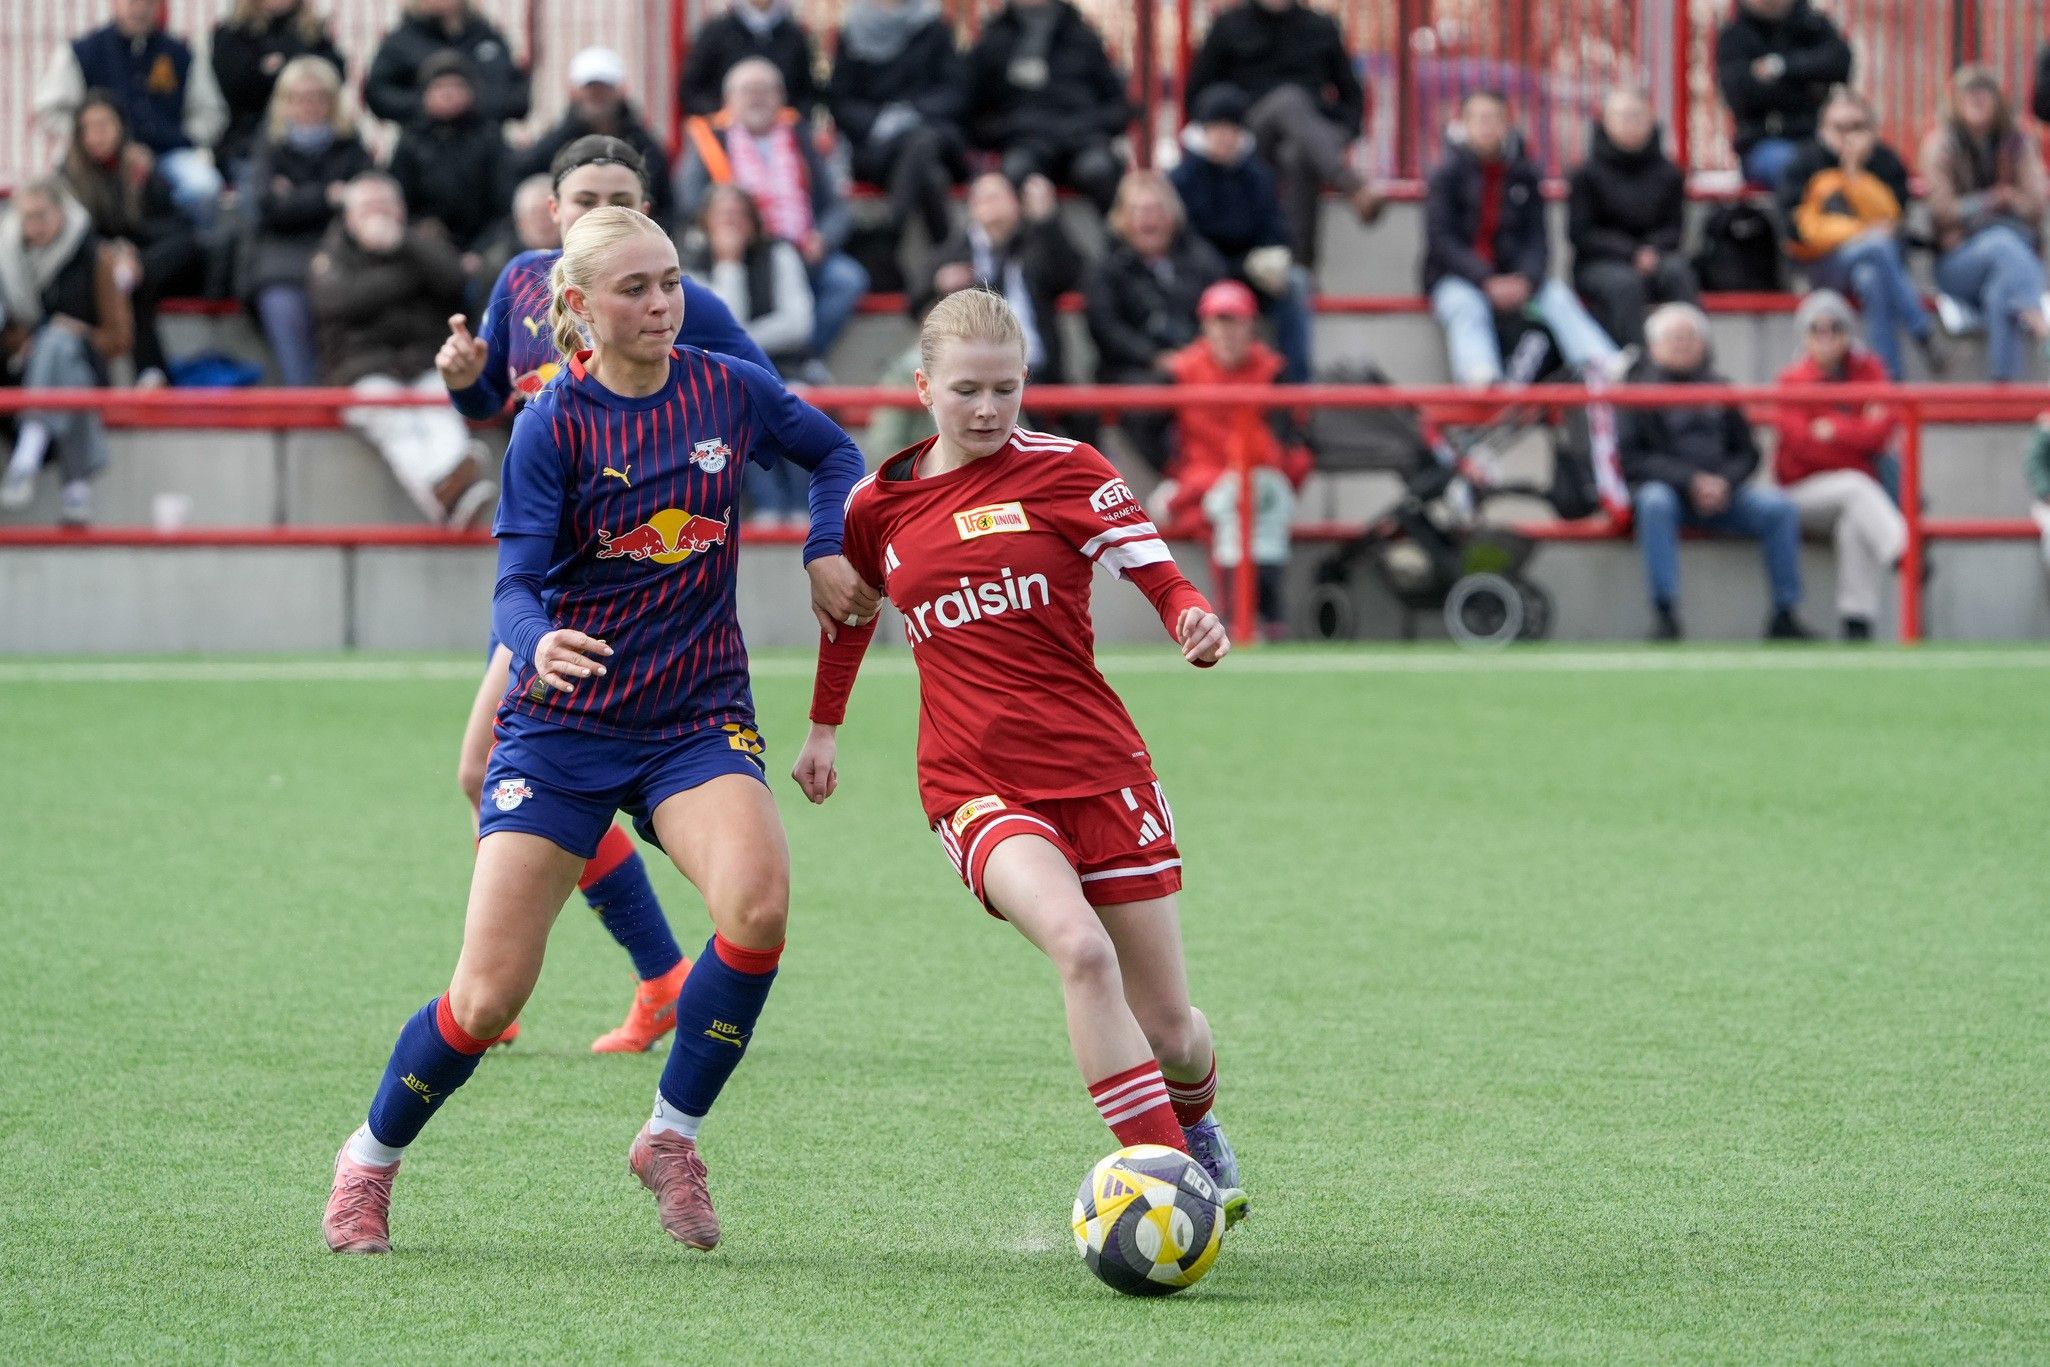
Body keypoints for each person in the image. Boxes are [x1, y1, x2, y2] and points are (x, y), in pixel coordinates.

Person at [322, 205, 874, 1256]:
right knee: (488, 997)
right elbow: (513, 587)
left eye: (670, 282)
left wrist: (822, 542)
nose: (663, 303)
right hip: (563, 726)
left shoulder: (727, 388)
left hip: (694, 715)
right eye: (637, 288)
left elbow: (835, 452)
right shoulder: (553, 423)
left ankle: (671, 1136)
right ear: (578, 305)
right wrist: (535, 644)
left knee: (757, 907)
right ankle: (369, 1160)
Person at [792, 288, 1249, 1222]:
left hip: (1101, 770)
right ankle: (1172, 1185)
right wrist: (824, 725)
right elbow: (853, 612)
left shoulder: (1068, 470)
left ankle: (1196, 1124)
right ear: (923, 387)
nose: (988, 409)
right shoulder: (877, 504)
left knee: (1172, 1030)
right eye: (966, 390)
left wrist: (1190, 616)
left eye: (1005, 389)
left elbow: (1155, 569)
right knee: (1080, 949)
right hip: (973, 781)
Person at [436, 136, 781, 1055]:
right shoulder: (522, 284)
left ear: (648, 210)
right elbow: (495, 404)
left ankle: (652, 973)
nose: (599, 211)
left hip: (627, 588)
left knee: (495, 766)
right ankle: (651, 974)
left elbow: (769, 404)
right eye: (583, 198)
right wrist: (466, 385)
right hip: (549, 578)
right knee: (483, 769)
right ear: (553, 211)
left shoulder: (675, 303)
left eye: (618, 197)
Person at [308, 173, 494, 527]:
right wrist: (408, 276)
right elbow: (340, 302)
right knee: (391, 416)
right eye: (368, 207)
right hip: (360, 371)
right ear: (349, 216)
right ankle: (448, 485)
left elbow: (455, 280)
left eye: (386, 206)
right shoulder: (331, 252)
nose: (378, 215)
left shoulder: (421, 242)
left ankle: (448, 492)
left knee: (442, 403)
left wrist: (404, 244)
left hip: (424, 362)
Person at [1619, 303, 1810, 642]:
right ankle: (1665, 614)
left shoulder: (1721, 388)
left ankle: (1785, 613)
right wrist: (1690, 481)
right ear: (1654, 346)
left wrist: (1723, 482)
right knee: (1654, 503)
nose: (1683, 344)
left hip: (1725, 495)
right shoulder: (1638, 392)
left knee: (1778, 509)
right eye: (1674, 337)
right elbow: (1633, 459)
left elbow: (1748, 453)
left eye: (1689, 337)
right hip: (1670, 494)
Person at [1423, 90, 1623, 390]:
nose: (1486, 126)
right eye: (1478, 119)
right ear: (1463, 124)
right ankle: (1481, 377)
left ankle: (1601, 362)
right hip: (1459, 278)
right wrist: (1485, 279)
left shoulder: (1525, 174)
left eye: (1493, 118)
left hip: (1518, 280)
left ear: (1507, 123)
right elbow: (1442, 241)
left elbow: (1537, 239)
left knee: (1557, 297)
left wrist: (1526, 279)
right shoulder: (1445, 176)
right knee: (1466, 307)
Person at [677, 59, 870, 360]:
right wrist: (729, 238)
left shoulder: (805, 136)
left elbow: (837, 205)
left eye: (765, 90)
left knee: (847, 279)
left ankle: (801, 358)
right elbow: (690, 203)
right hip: (737, 253)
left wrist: (823, 238)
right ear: (729, 99)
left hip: (803, 251)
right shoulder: (708, 138)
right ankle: (743, 356)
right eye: (747, 91)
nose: (757, 98)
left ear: (781, 97)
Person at [1183, 0, 1381, 271]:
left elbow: (1351, 95)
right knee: (1289, 100)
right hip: (1250, 133)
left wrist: (1341, 132)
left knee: (1296, 155)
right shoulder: (1229, 26)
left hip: (1309, 138)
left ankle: (1298, 267)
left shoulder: (1320, 27)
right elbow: (1199, 92)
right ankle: (1351, 184)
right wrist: (1223, 126)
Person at [1162, 280, 1305, 639]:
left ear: (1251, 325)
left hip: (1257, 480)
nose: (1227, 332)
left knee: (1262, 507)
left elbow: (1290, 445)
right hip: (1201, 481)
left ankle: (1257, 617)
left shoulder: (1273, 369)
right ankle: (1238, 618)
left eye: (1235, 322)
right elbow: (1153, 432)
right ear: (1205, 326)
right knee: (1218, 512)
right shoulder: (1181, 369)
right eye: (1218, 322)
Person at [1769, 290, 1905, 641]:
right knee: (1855, 485)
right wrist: (1857, 433)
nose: (1826, 336)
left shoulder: (1869, 370)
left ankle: (1856, 623)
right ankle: (1904, 551)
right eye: (1817, 329)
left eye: (1836, 327)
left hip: (1853, 492)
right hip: (1801, 491)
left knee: (1854, 522)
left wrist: (1834, 431)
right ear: (1804, 336)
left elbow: (1882, 432)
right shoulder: (1791, 380)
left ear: (1848, 332)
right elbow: (1802, 447)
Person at [1779, 89, 1940, 382]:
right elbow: (1799, 230)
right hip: (1822, 264)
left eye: (1857, 127)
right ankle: (1921, 330)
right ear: (1822, 129)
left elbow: (1894, 219)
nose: (1848, 136)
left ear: (1872, 129)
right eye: (1839, 127)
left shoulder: (1886, 163)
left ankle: (1887, 381)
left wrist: (1854, 173)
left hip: (1877, 265)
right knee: (1877, 246)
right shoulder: (1803, 162)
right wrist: (1860, 233)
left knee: (1872, 279)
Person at [0, 179, 133, 524]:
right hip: (21, 370)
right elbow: (7, 331)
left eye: (41, 216)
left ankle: (26, 459)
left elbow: (119, 338)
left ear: (61, 212)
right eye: (26, 217)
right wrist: (26, 340)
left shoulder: (95, 256)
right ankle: (75, 487)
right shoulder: (7, 256)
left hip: (86, 364)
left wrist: (80, 333)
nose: (34, 226)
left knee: (59, 345)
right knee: (53, 347)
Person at [684, 185, 818, 526]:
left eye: (738, 215)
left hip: (788, 365)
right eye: (721, 217)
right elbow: (728, 317)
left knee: (799, 400)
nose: (731, 224)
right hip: (724, 376)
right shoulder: (690, 267)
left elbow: (798, 324)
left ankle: (804, 506)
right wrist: (729, 263)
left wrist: (738, 339)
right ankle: (768, 505)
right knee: (737, 408)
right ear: (705, 224)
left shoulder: (779, 253)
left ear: (754, 221)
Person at [34, 0, 229, 230]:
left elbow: (211, 112)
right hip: (98, 160)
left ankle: (195, 247)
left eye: (147, 3)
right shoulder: (84, 51)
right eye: (132, 2)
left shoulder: (180, 52)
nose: (139, 9)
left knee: (203, 187)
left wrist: (182, 138)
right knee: (63, 200)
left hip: (167, 154)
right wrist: (91, 138)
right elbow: (49, 108)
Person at [237, 54, 370, 387]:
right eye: (299, 98)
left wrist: (295, 197)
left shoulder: (351, 145)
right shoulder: (268, 144)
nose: (309, 105)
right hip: (279, 263)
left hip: (341, 257)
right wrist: (328, 196)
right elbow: (267, 206)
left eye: (318, 97)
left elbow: (364, 204)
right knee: (283, 307)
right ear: (284, 102)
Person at [1169, 84, 1313, 382]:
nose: (1224, 136)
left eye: (1231, 128)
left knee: (1296, 283)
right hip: (1202, 275)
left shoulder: (1259, 177)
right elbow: (1183, 239)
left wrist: (1272, 262)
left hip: (1251, 273)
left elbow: (1276, 229)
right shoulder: (1182, 179)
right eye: (1216, 128)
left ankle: (1295, 389)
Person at [1085, 171, 1228, 470]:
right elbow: (1105, 329)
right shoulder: (1106, 268)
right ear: (1123, 218)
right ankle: (1179, 476)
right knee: (1149, 402)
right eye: (1139, 211)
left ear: (1173, 216)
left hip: (1201, 361)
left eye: (1157, 210)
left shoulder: (1202, 259)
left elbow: (1222, 310)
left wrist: (1195, 355)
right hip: (1132, 369)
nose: (1149, 220)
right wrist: (1155, 358)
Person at [59, 91, 203, 385]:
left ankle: (152, 375)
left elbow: (174, 226)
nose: (95, 136)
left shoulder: (140, 165)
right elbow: (76, 238)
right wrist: (117, 252)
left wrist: (134, 250)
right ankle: (152, 375)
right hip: (100, 268)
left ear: (120, 127)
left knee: (173, 254)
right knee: (127, 280)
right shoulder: (69, 176)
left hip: (145, 260)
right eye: (87, 128)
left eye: (103, 126)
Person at [1920, 66, 2050, 383]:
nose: (1977, 99)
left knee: (2001, 292)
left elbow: (2036, 203)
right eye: (1970, 93)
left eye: (1985, 92)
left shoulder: (2017, 144)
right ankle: (2039, 320)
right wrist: (1990, 201)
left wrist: (2010, 201)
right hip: (1958, 262)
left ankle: (2004, 391)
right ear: (1955, 101)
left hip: (2012, 257)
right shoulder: (1941, 145)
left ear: (1998, 101)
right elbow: (1941, 210)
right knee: (2001, 242)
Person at [826, 0, 968, 258]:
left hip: (932, 132)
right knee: (930, 174)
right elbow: (840, 100)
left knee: (922, 141)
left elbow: (955, 90)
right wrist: (880, 120)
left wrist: (914, 113)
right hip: (879, 147)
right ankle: (949, 256)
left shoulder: (933, 29)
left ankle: (890, 234)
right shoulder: (854, 32)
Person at [961, 0, 1131, 214]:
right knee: (1015, 172)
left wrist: (1087, 126)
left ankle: (1114, 236)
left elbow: (1117, 105)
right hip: (1024, 142)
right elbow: (972, 110)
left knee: (1099, 171)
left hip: (1082, 140)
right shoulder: (995, 40)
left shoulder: (1082, 37)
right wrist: (1010, 130)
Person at [928, 172, 1086, 393]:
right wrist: (940, 284)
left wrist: (1047, 221)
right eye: (983, 198)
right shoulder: (957, 250)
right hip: (975, 373)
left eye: (996, 197)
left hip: (1040, 373)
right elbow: (916, 294)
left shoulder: (1036, 241)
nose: (990, 205)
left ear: (1016, 202)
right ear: (971, 207)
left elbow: (1073, 275)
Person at [1568, 88, 1698, 349]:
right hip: (1601, 262)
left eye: (1637, 116)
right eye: (1623, 117)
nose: (1631, 125)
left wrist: (1651, 252)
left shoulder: (1669, 173)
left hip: (1657, 257)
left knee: (1679, 273)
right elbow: (1581, 233)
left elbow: (1674, 229)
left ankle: (1696, 356)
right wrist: (1631, 253)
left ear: (1651, 120)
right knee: (1625, 285)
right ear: (1606, 122)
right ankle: (1637, 361)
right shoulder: (1586, 174)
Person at [518, 47, 675, 229]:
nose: (597, 94)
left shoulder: (647, 147)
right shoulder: (550, 147)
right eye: (585, 201)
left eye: (621, 201)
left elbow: (666, 207)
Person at [1715, 0, 1853, 190]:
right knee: (1797, 167)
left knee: (1871, 162)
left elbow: (1840, 62)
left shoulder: (1812, 25)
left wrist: (1781, 67)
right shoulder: (1734, 36)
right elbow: (1742, 94)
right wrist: (1808, 83)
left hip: (1818, 137)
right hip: (1763, 142)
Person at [387, 52, 512, 258]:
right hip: (425, 244)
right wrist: (418, 226)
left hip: (482, 243)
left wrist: (480, 249)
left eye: (456, 86)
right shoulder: (411, 139)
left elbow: (503, 204)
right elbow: (399, 196)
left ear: (471, 92)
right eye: (439, 87)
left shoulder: (489, 137)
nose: (447, 94)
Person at [210, 0, 347, 173]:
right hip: (249, 141)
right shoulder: (233, 33)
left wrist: (277, 68)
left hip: (317, 142)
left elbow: (334, 75)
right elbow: (236, 87)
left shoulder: (312, 31)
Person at [366, 0, 530, 127]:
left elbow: (518, 95)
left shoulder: (487, 37)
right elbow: (377, 94)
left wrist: (472, 103)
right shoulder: (401, 42)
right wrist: (423, 105)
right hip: (421, 148)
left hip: (485, 148)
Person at [678, 0, 821, 120]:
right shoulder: (717, 32)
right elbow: (691, 90)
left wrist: (789, 117)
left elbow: (807, 92)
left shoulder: (794, 35)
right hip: (724, 134)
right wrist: (723, 114)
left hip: (783, 134)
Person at [472, 173, 559, 296]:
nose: (543, 220)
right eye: (534, 213)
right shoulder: (498, 263)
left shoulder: (577, 256)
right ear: (519, 221)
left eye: (548, 211)